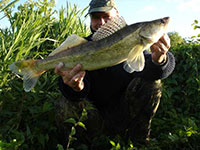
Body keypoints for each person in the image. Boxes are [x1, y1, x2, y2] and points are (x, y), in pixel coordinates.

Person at [54, 0, 175, 148]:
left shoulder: (133, 41)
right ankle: (75, 145)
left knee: (152, 83)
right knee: (65, 101)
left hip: (123, 114)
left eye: (106, 16)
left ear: (117, 15)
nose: (101, 22)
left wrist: (160, 59)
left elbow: (152, 69)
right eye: (95, 17)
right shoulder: (82, 45)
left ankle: (139, 142)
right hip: (93, 117)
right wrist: (75, 87)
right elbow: (67, 86)